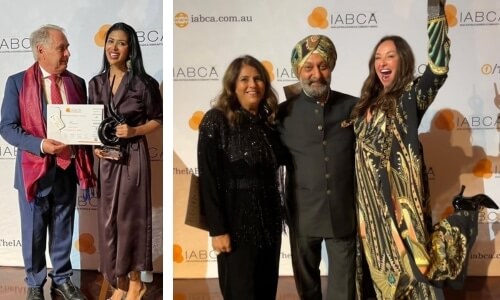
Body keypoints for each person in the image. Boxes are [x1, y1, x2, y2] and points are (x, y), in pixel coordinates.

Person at [344, 0, 498, 298]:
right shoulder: (360, 108)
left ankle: (464, 213)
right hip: (370, 216)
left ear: (402, 61)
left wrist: (434, 12)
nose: (382, 62)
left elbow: (438, 70)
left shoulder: (409, 98)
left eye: (390, 56)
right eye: (378, 57)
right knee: (383, 283)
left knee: (417, 276)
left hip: (402, 214)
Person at [0, 24, 96, 300]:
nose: (68, 53)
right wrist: (41, 145)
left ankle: (62, 279)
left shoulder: (76, 83)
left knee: (64, 228)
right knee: (33, 232)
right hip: (34, 172)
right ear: (41, 51)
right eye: (62, 48)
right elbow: (7, 127)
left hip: (67, 169)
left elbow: (84, 127)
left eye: (66, 47)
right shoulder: (17, 82)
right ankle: (34, 282)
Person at [276, 35, 358, 300]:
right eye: (308, 67)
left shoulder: (353, 107)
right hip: (302, 215)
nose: (316, 74)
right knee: (307, 288)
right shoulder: (282, 113)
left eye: (322, 66)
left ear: (331, 67)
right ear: (298, 70)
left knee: (343, 289)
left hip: (343, 214)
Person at [197, 55, 285, 300]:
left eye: (258, 78)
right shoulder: (215, 120)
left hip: (269, 221)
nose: (252, 84)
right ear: (232, 86)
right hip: (235, 223)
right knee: (241, 292)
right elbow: (208, 178)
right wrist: (218, 229)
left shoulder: (269, 123)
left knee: (267, 291)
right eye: (244, 79)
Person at [88, 22, 162, 300]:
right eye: (110, 41)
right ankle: (118, 283)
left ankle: (135, 284)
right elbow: (92, 121)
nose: (114, 48)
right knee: (109, 222)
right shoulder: (95, 83)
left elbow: (158, 119)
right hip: (106, 161)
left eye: (121, 42)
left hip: (133, 160)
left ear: (131, 48)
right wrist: (95, 145)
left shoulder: (144, 83)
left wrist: (135, 131)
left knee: (131, 220)